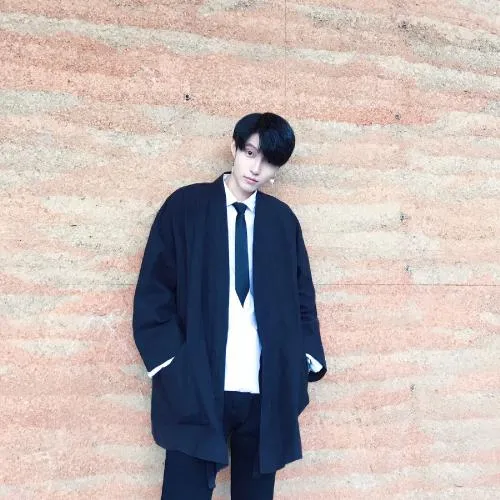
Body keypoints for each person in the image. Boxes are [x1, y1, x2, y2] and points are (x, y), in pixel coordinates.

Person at [132, 112, 327, 499]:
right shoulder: (185, 207)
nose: (256, 168)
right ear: (234, 148)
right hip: (197, 385)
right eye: (250, 153)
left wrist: (300, 362)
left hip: (264, 391)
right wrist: (172, 366)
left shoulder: (282, 222)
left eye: (269, 161)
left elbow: (302, 298)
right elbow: (154, 292)